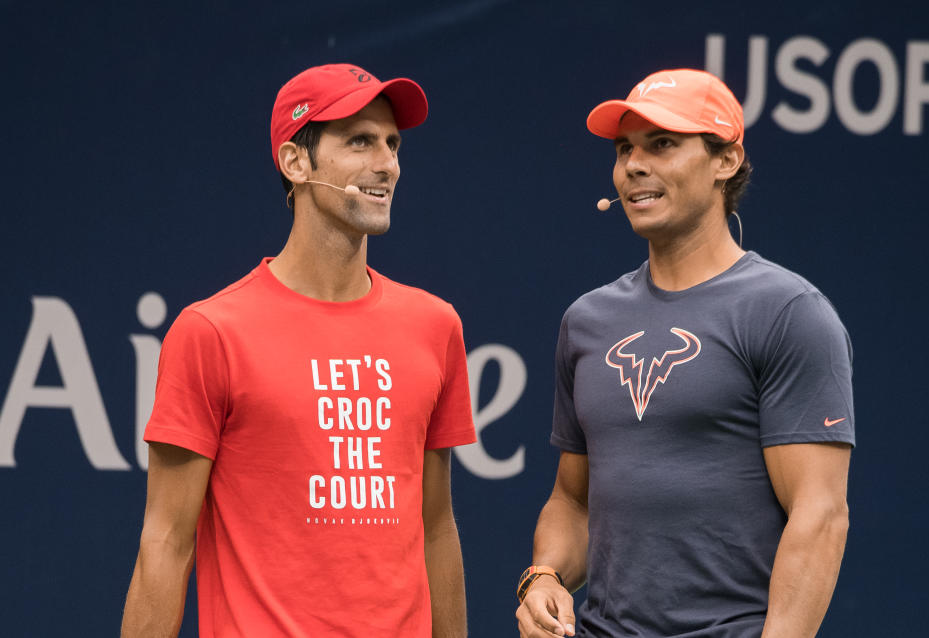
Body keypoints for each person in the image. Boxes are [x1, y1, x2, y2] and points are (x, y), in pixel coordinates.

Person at [121, 64, 476, 638]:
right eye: (359, 140)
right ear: (295, 162)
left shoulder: (435, 326)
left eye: (392, 143)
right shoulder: (211, 331)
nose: (386, 163)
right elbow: (165, 543)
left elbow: (436, 527)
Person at [515, 69, 854, 638]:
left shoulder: (788, 310)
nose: (634, 166)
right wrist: (545, 577)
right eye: (625, 149)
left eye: (663, 145)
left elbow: (819, 517)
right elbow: (573, 501)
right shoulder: (587, 321)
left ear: (726, 161)